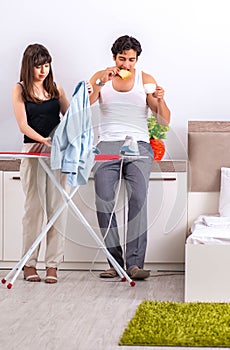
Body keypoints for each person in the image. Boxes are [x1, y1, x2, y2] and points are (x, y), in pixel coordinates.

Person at [89, 35, 171, 280]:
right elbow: (85, 103)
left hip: (139, 144)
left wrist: (160, 99)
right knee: (103, 200)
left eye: (131, 60)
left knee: (138, 198)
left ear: (137, 60)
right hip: (107, 144)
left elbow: (164, 120)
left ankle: (134, 265)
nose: (126, 64)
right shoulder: (101, 76)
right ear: (114, 57)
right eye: (122, 58)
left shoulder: (145, 80)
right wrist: (102, 82)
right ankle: (114, 263)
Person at [12, 43, 70, 283]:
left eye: (46, 65)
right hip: (34, 149)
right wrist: (43, 140)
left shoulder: (56, 88)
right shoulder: (20, 89)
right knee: (34, 209)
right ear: (29, 66)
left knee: (58, 208)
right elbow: (23, 125)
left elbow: (71, 116)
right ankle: (29, 263)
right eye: (38, 66)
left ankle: (53, 265)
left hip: (56, 151)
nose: (43, 70)